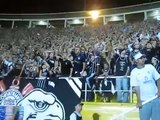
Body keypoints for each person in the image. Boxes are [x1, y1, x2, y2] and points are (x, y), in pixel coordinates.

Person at [130, 52, 160, 120]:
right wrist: (139, 100)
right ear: (136, 60)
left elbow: (158, 78)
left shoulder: (150, 67)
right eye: (140, 58)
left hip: (155, 98)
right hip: (144, 101)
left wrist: (159, 91)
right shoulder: (134, 72)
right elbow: (136, 87)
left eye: (143, 57)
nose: (143, 59)